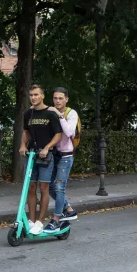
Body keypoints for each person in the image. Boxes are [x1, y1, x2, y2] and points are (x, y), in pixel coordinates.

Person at [19, 84, 62, 235]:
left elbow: (58, 134)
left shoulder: (50, 113)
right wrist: (23, 145)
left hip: (45, 155)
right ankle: (31, 220)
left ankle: (39, 221)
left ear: (42, 96)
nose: (33, 98)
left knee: (43, 188)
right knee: (30, 187)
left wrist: (47, 147)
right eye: (31, 95)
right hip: (31, 154)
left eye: (36, 95)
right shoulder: (27, 113)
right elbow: (25, 132)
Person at [43, 87, 79, 233]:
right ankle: (68, 209)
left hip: (65, 157)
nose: (57, 101)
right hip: (53, 156)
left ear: (66, 99)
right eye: (55, 98)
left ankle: (56, 220)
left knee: (59, 188)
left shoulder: (71, 113)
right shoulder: (51, 112)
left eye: (60, 98)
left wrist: (59, 115)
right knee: (49, 186)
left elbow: (70, 132)